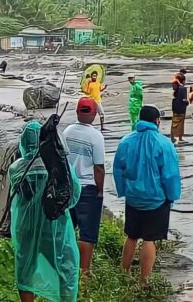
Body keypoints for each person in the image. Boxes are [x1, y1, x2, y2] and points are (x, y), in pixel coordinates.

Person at [9, 121, 81, 302]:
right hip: (54, 228)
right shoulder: (59, 169)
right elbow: (72, 196)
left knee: (26, 269)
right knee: (65, 269)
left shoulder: (16, 169)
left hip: (25, 229)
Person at [113, 105, 182, 286]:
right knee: (149, 240)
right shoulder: (164, 143)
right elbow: (170, 174)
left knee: (131, 235)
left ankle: (124, 272)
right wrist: (172, 196)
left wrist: (123, 191)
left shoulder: (126, 141)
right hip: (156, 200)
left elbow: (118, 169)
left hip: (133, 198)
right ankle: (144, 281)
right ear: (157, 121)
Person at [63, 97, 106, 279]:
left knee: (67, 229)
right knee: (87, 233)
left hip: (68, 186)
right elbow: (99, 167)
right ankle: (84, 271)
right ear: (95, 114)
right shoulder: (96, 136)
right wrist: (101, 190)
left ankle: (66, 266)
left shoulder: (66, 131)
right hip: (88, 188)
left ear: (77, 112)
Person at [171, 73, 189, 144]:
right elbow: (184, 100)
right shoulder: (183, 89)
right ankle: (178, 138)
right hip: (181, 109)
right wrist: (187, 102)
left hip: (175, 108)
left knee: (174, 124)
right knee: (180, 124)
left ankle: (174, 138)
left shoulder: (175, 89)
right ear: (183, 81)